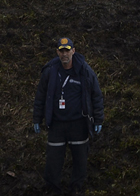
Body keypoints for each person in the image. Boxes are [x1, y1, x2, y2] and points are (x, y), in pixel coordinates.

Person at [33, 37, 104, 195]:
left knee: (80, 159)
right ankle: (53, 189)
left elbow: (96, 95)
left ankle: (76, 188)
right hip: (57, 124)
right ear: (57, 52)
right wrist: (37, 118)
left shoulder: (84, 71)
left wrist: (98, 119)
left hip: (78, 124)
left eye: (67, 50)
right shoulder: (50, 71)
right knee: (53, 159)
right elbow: (40, 96)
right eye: (61, 50)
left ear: (73, 50)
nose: (64, 54)